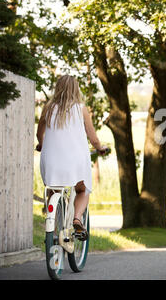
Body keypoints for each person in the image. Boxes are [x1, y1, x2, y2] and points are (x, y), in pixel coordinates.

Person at [36, 75, 107, 239]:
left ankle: (52, 227)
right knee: (82, 190)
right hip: (76, 161)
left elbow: (40, 133)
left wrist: (42, 144)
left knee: (53, 190)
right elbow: (93, 138)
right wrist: (100, 148)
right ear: (76, 89)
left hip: (51, 160)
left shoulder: (48, 108)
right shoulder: (80, 108)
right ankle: (77, 219)